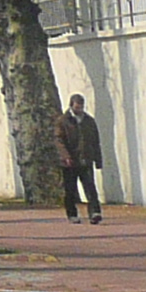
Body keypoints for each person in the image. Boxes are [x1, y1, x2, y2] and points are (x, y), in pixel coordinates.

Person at [56, 94, 105, 224]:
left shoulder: (89, 121)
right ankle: (72, 214)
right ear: (71, 105)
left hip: (85, 159)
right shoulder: (63, 121)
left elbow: (95, 141)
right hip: (70, 162)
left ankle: (95, 212)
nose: (79, 109)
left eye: (81, 107)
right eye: (77, 106)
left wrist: (98, 160)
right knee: (70, 189)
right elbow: (59, 141)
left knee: (90, 188)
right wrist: (66, 156)